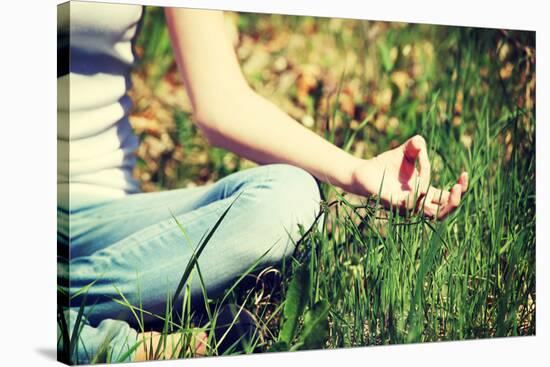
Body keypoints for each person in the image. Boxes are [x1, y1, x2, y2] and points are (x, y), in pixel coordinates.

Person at [57, 2, 468, 364]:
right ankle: (103, 341)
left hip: (105, 219)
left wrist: (356, 172)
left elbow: (223, 104)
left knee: (289, 198)